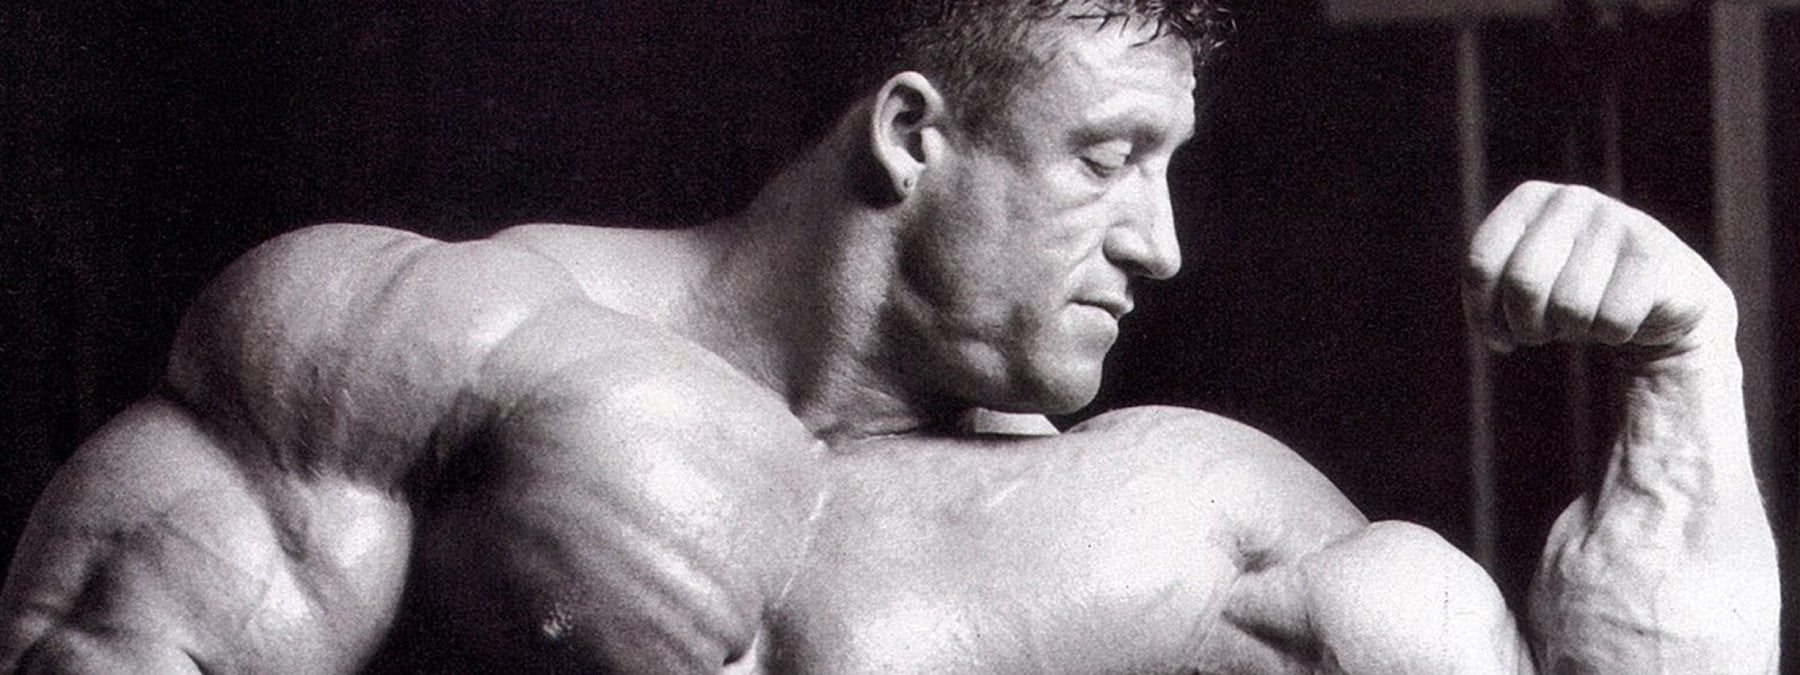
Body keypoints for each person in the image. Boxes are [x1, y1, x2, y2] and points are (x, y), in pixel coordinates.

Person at [0, 2, 1777, 673]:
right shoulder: (436, 346)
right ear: (916, 134)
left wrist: (1687, 382)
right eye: (1110, 160)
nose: (1163, 246)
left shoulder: (1194, 517)